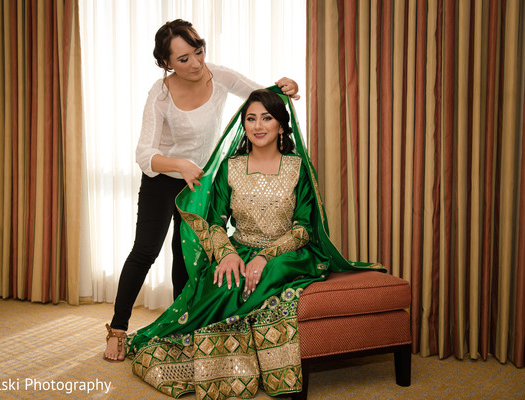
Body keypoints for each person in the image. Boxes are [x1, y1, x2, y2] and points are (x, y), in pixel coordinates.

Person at [123, 88, 386, 399]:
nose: (259, 125)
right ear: (243, 125)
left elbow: (303, 228)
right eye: (251, 118)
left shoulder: (298, 167)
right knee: (226, 281)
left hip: (288, 252)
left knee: (268, 273)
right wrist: (227, 255)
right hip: (241, 247)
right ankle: (219, 361)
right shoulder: (230, 167)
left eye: (267, 118)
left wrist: (265, 257)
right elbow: (214, 223)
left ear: (281, 126)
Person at [104, 19, 300, 362]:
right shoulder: (160, 94)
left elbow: (262, 98)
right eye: (183, 59)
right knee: (145, 251)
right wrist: (179, 164)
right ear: (166, 63)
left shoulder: (219, 75)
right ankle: (117, 331)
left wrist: (288, 84)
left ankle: (182, 328)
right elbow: (144, 153)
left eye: (198, 51)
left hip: (201, 183)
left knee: (188, 257)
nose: (196, 63)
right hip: (164, 179)